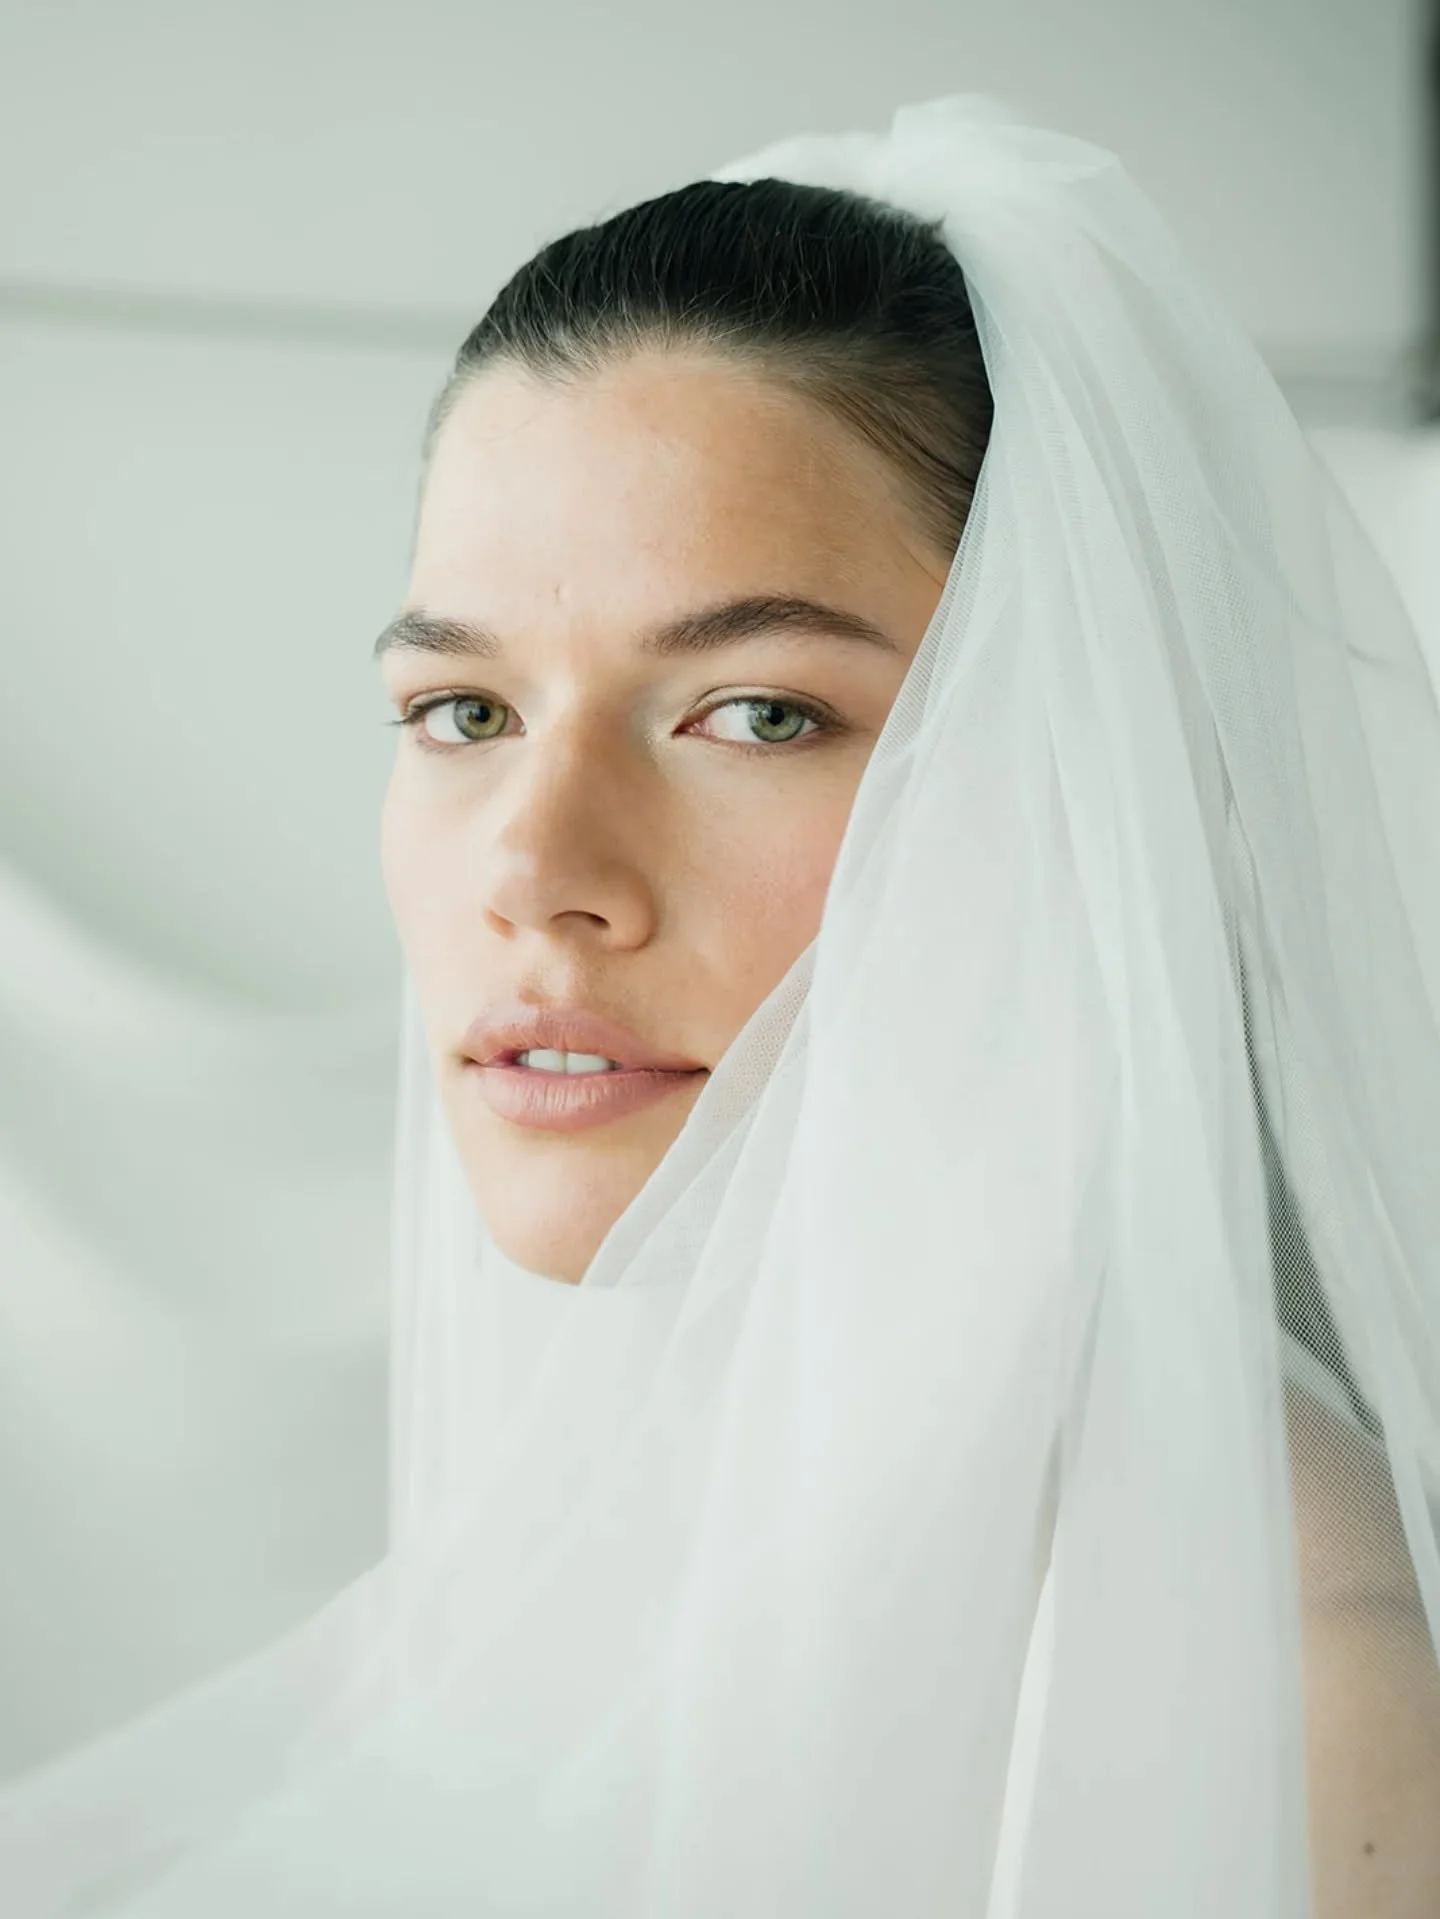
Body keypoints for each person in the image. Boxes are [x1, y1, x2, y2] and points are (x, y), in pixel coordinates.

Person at [2, 91, 1438, 1917]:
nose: (535, 869)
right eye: (465, 712)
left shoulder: (1298, 1707)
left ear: (1087, 777)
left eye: (756, 711)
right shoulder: (610, 1545)